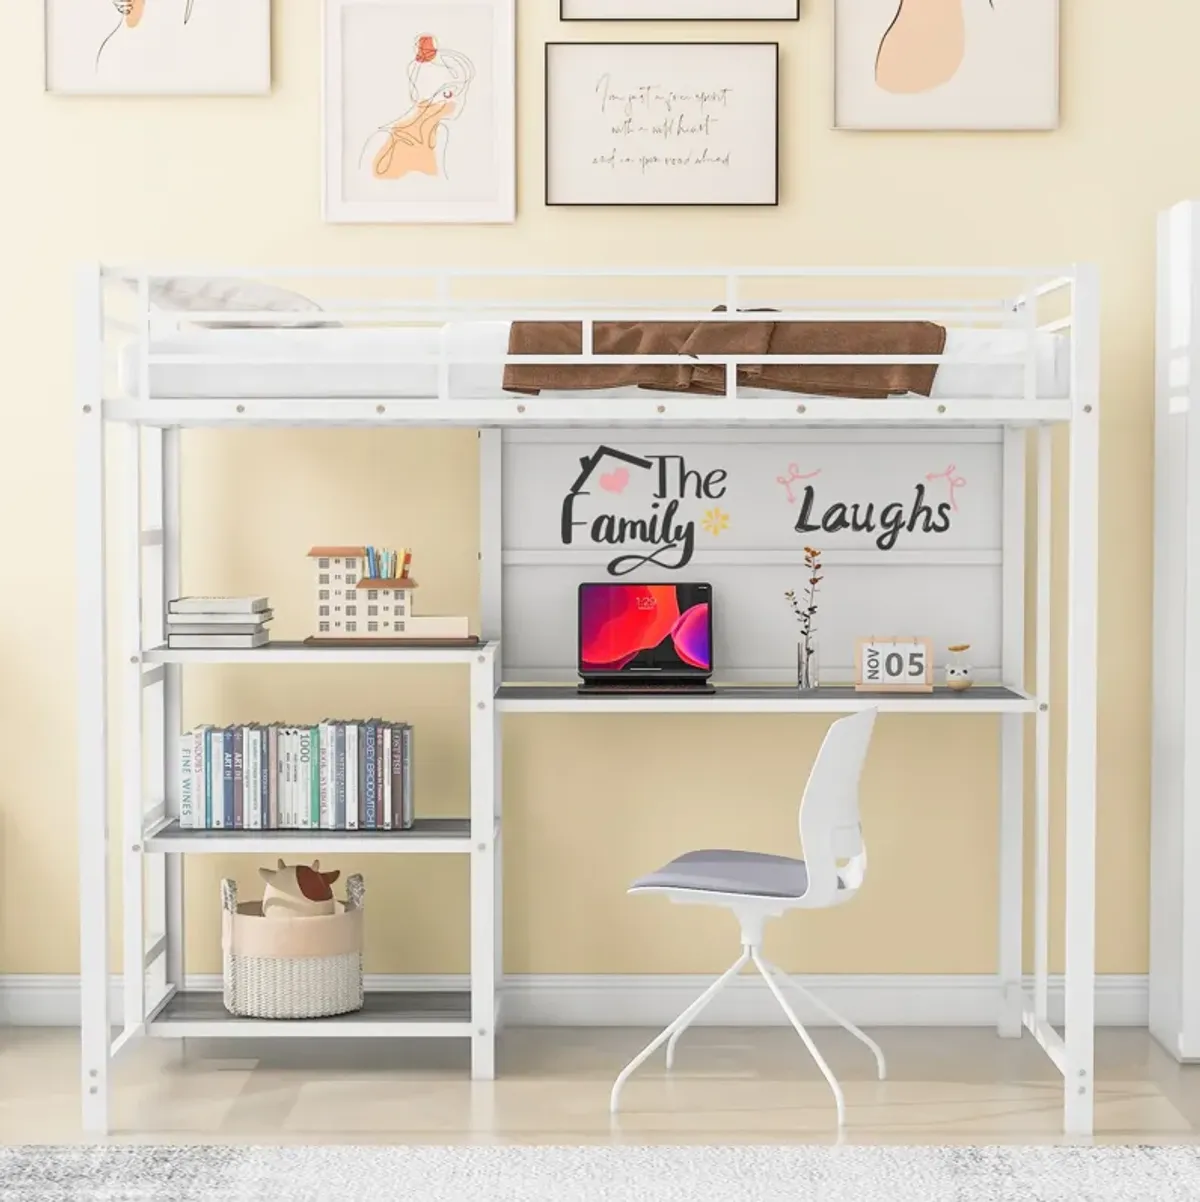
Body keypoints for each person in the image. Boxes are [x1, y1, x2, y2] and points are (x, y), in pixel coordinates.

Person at [362, 35, 475, 182]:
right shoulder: (386, 139)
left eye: (463, 92)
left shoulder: (440, 134)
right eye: (449, 93)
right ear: (425, 97)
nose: (460, 102)